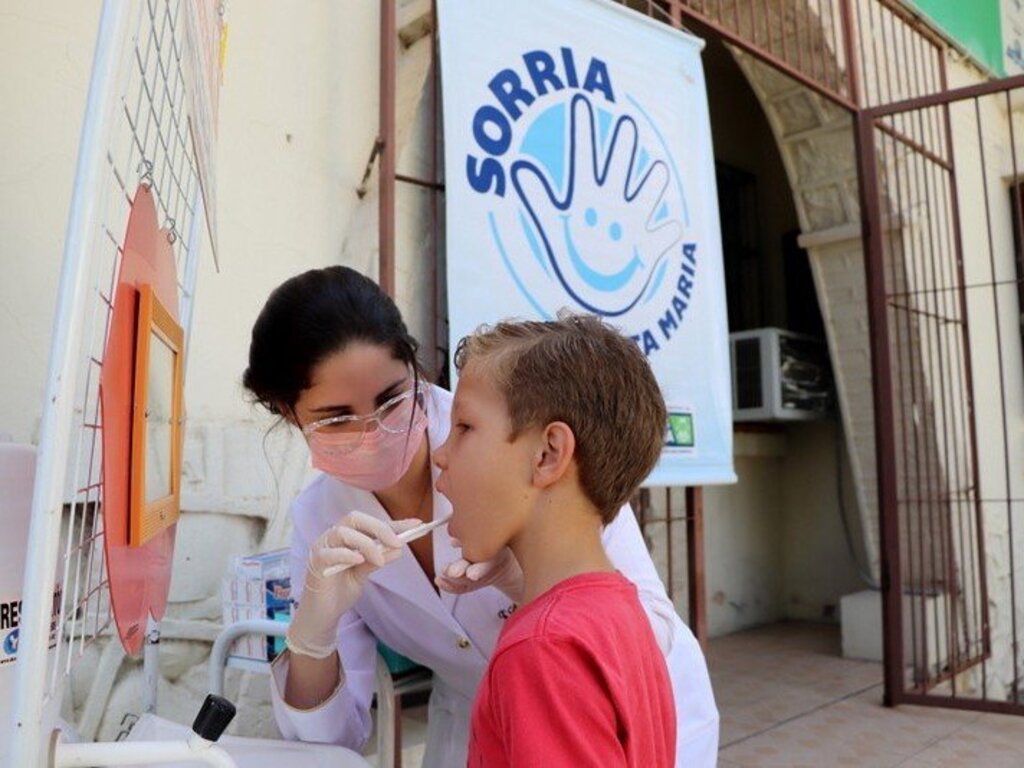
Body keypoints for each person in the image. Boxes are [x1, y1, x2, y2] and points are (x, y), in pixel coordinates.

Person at [242, 266, 718, 767]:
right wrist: (312, 636)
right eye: (337, 419)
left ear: (414, 366)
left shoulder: (520, 429)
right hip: (486, 720)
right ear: (288, 412)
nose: (376, 430)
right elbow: (329, 744)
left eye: (392, 399)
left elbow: (636, 624)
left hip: (634, 714)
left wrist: (531, 588)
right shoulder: (320, 520)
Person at [434, 315, 676, 766]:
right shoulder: (621, 611)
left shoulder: (543, 648)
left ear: (548, 455)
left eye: (464, 427)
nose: (440, 455)